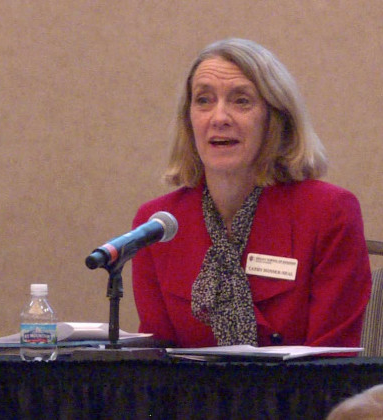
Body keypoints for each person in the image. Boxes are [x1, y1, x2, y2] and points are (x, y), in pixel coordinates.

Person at [131, 38, 371, 348]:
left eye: (241, 101)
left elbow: (333, 361)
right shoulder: (159, 225)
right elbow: (155, 361)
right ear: (188, 120)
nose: (219, 118)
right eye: (204, 100)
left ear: (275, 118)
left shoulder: (328, 212)